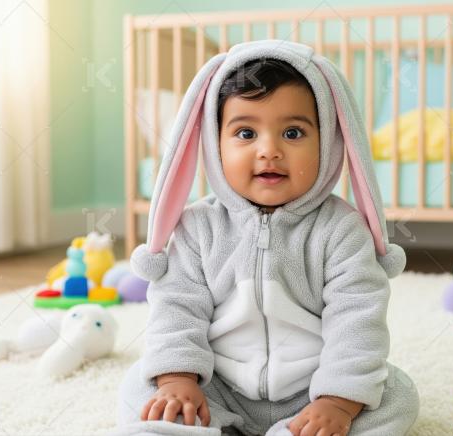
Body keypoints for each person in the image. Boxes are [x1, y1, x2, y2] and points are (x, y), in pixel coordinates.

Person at [115, 40, 419, 436]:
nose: (269, 150)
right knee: (141, 386)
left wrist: (337, 402)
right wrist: (178, 381)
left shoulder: (342, 230)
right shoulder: (197, 228)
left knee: (395, 396)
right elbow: (176, 309)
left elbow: (358, 322)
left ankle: (300, 428)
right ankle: (199, 425)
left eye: (293, 132)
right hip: (217, 388)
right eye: (245, 132)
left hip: (312, 393)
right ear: (214, 143)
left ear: (328, 142)